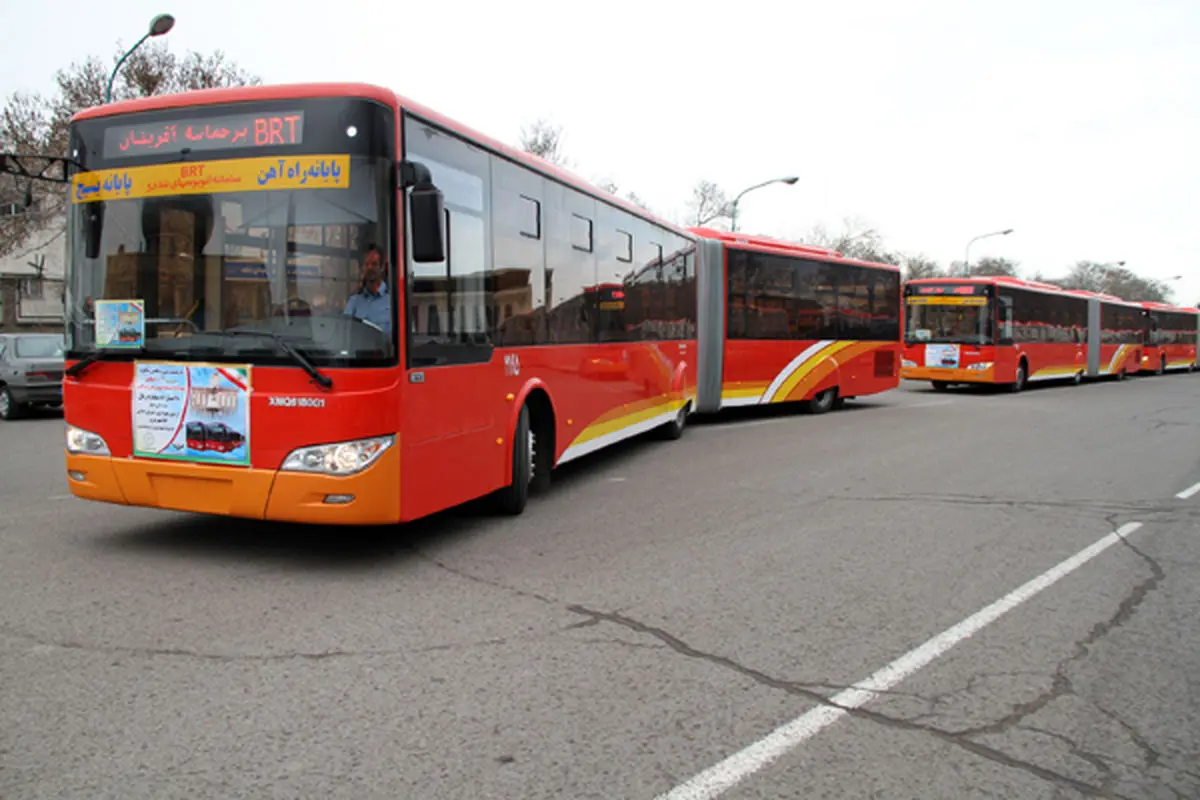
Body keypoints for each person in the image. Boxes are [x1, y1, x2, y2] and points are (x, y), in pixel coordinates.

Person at [343, 245, 391, 333]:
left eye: (374, 264)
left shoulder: (394, 301)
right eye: (367, 264)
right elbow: (344, 332)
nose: (370, 268)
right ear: (362, 268)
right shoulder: (354, 302)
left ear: (382, 267)